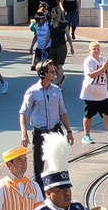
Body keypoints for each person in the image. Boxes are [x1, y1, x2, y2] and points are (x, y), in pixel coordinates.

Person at [19, 60, 73, 189]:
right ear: (43, 74)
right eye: (52, 72)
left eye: (55, 71)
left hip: (55, 132)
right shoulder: (32, 92)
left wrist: (69, 131)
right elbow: (23, 113)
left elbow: (63, 112)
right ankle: (41, 196)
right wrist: (24, 134)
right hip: (40, 134)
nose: (55, 74)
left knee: (59, 165)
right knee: (39, 168)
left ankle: (59, 192)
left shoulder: (57, 90)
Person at [79, 42, 108, 144]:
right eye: (94, 49)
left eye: (98, 49)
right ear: (89, 50)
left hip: (103, 93)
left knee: (107, 114)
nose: (96, 51)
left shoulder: (102, 59)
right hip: (91, 94)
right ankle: (86, 135)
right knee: (89, 115)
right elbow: (91, 75)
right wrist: (103, 67)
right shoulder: (88, 61)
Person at [43, 7, 74, 88]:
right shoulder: (50, 24)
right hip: (53, 47)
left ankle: (59, 84)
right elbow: (48, 36)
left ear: (57, 14)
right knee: (50, 64)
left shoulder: (64, 24)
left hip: (61, 47)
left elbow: (68, 36)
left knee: (59, 65)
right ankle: (61, 76)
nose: (51, 14)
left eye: (53, 12)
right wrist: (44, 46)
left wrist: (71, 47)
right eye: (51, 12)